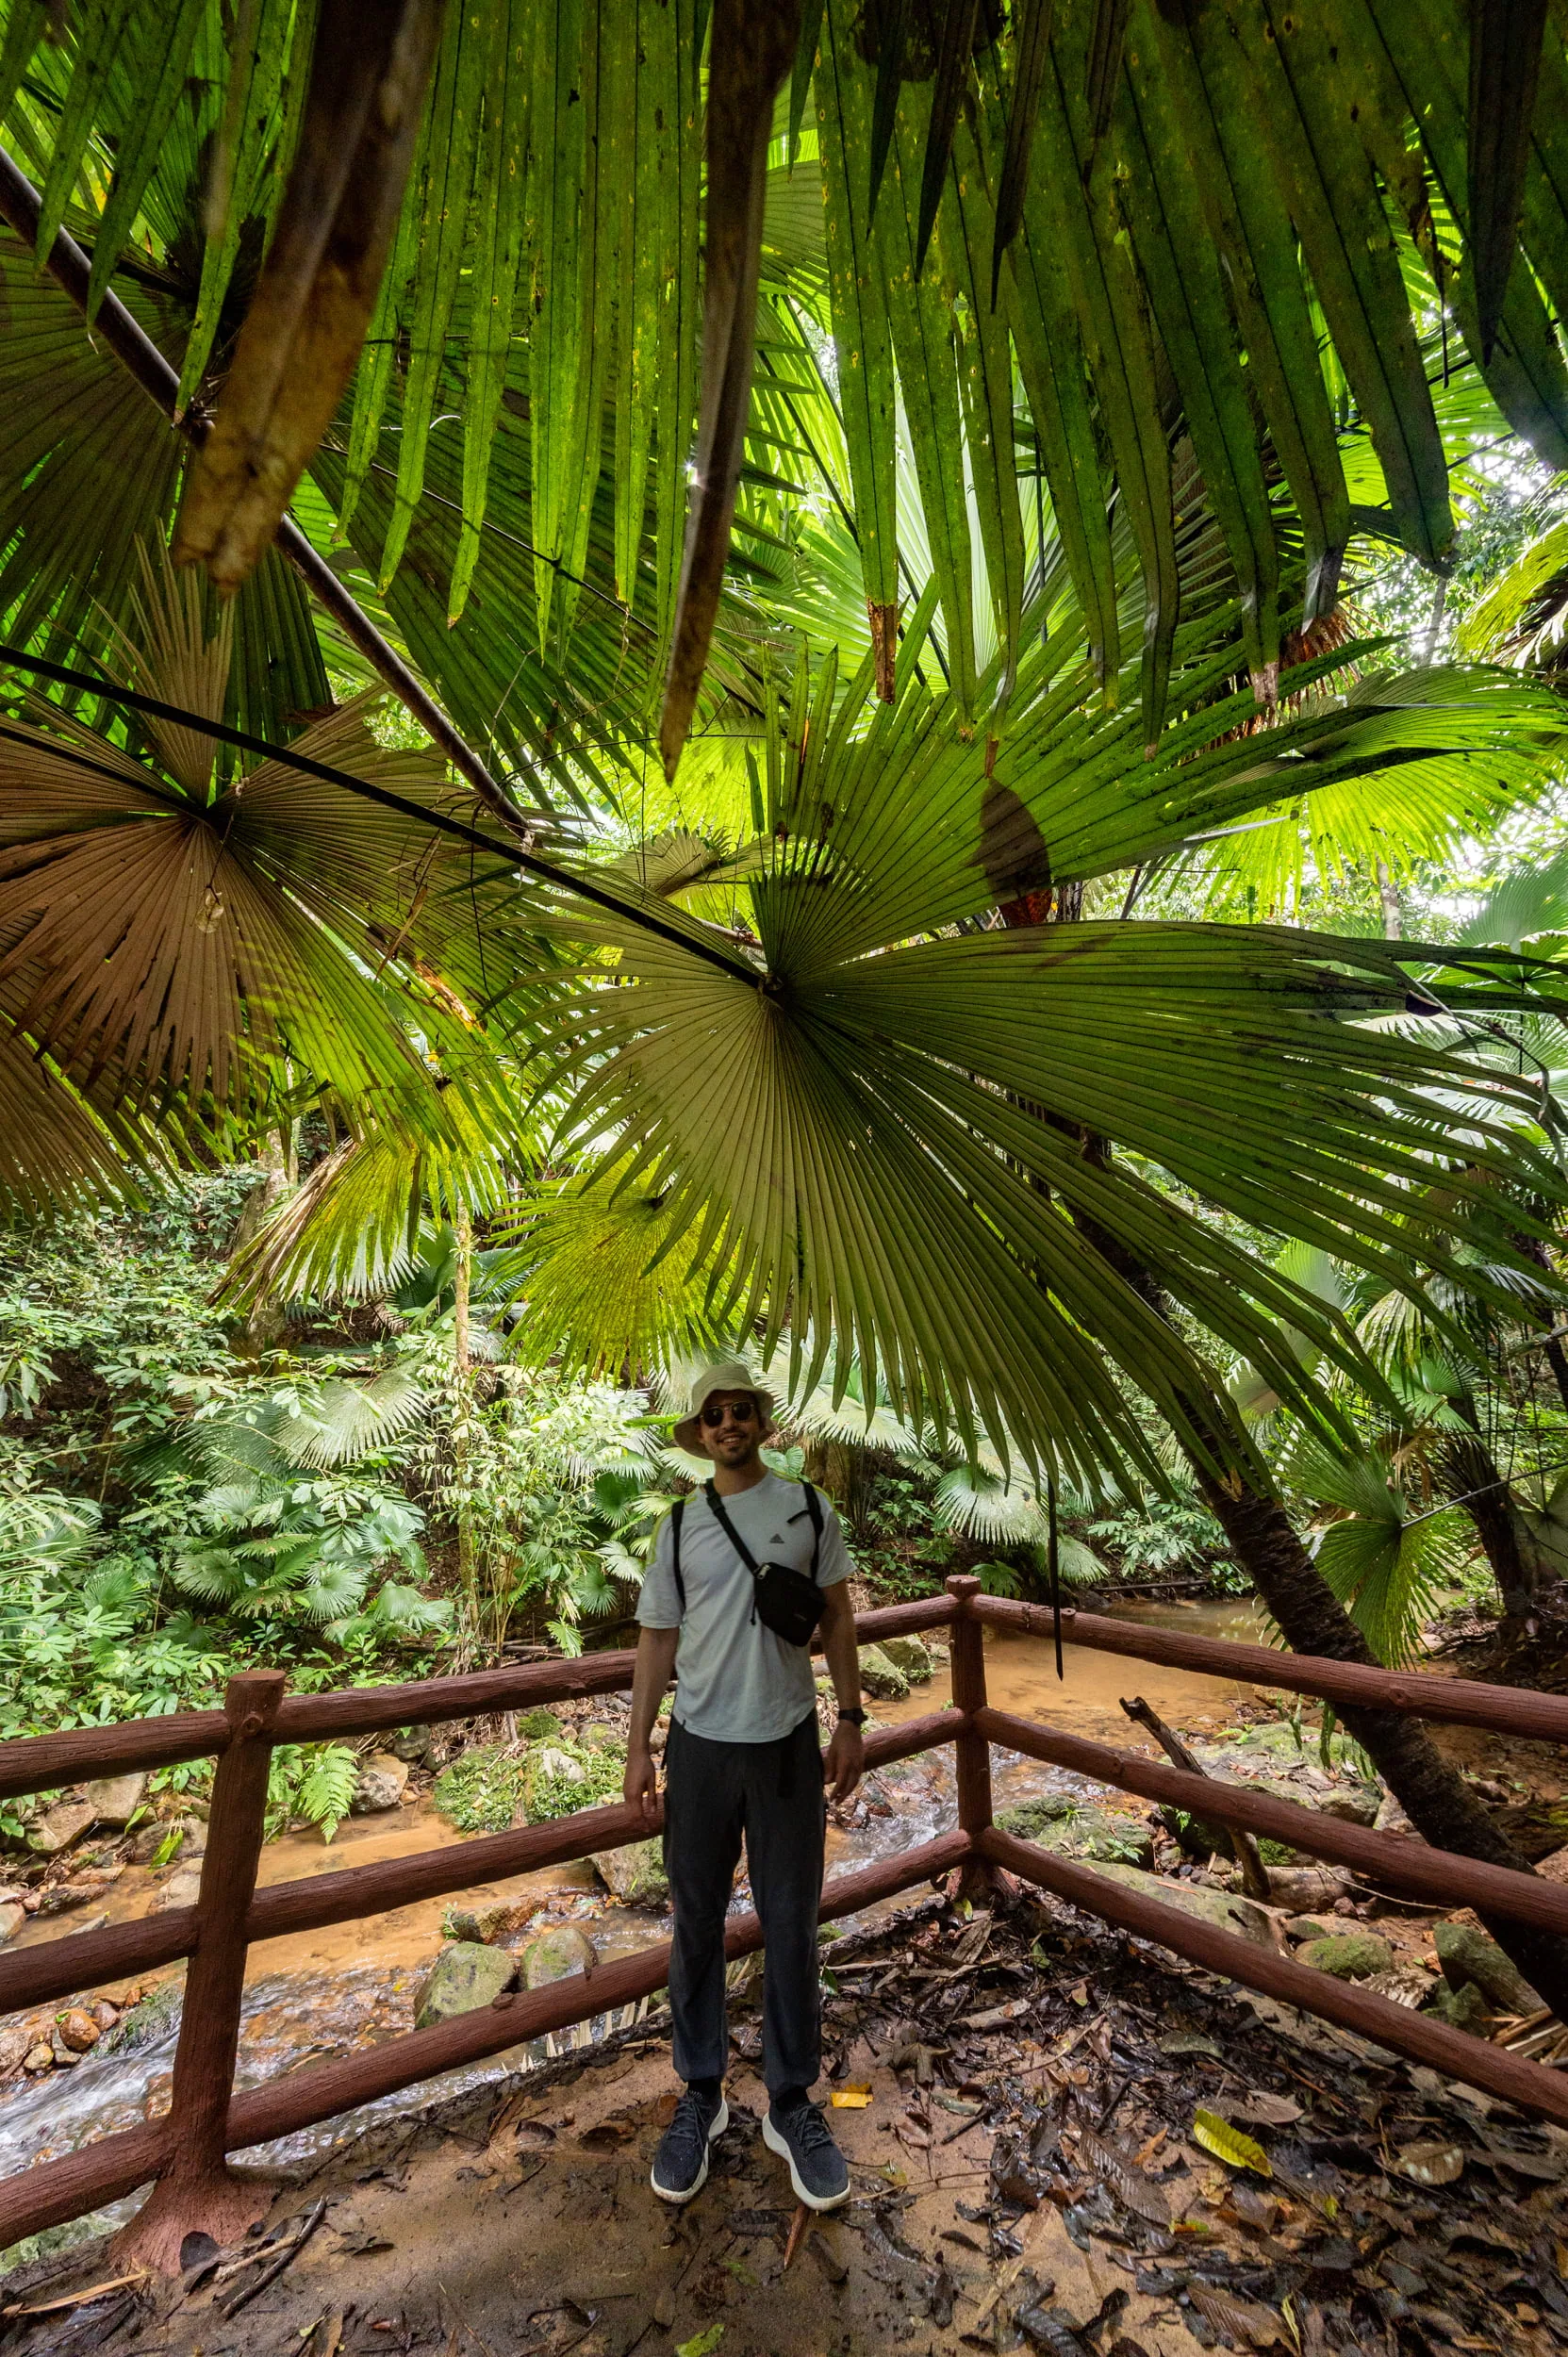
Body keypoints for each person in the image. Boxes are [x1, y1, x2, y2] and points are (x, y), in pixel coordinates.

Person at [624, 1360, 867, 2212]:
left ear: (764, 1422)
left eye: (743, 1411)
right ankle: (702, 2094)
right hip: (698, 1747)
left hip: (788, 1745)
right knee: (694, 1923)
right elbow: (656, 1641)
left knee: (792, 1923)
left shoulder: (806, 1506)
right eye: (714, 1414)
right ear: (700, 1433)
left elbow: (836, 1616)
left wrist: (850, 1719)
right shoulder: (682, 1522)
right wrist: (638, 1748)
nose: (729, 1423)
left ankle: (791, 2101)